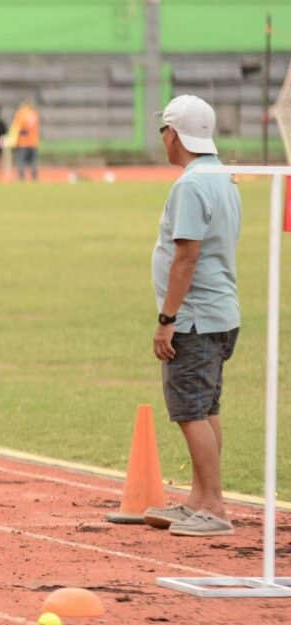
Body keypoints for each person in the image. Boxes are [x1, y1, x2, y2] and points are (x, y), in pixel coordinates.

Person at [144, 95, 241, 537]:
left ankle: (214, 507)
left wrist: (168, 319)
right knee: (207, 407)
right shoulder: (224, 176)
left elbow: (186, 257)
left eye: (164, 130)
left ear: (175, 134)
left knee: (188, 410)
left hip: (196, 317)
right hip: (221, 311)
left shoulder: (189, 185)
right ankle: (201, 499)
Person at [12, 99, 40, 181]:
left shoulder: (20, 114)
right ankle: (35, 177)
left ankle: (21, 177)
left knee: (21, 161)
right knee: (34, 161)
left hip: (22, 142)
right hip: (33, 142)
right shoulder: (34, 114)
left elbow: (17, 128)